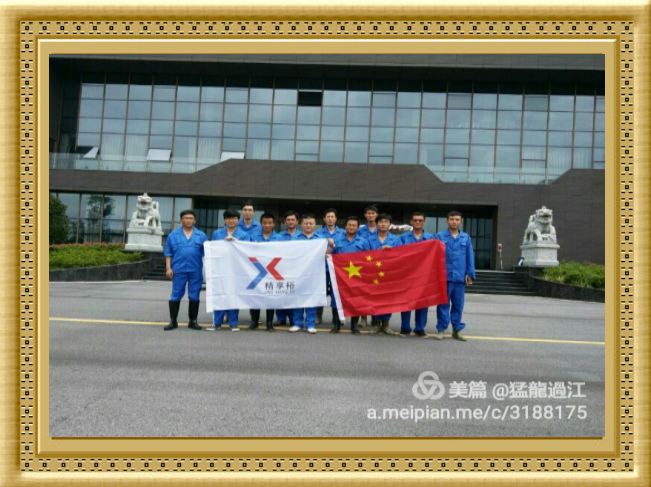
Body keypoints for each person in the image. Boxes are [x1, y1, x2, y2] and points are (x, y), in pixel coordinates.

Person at [163, 210, 209, 331]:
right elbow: (168, 253)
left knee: (194, 295)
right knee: (175, 295)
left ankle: (193, 321)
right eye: (186, 218)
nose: (188, 220)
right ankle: (173, 321)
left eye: (191, 218)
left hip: (195, 270)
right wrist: (168, 268)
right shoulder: (173, 235)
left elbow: (208, 253)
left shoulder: (201, 236)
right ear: (181, 220)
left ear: (194, 220)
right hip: (178, 270)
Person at [207, 209, 251, 332]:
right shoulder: (217, 233)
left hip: (236, 270)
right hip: (220, 268)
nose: (231, 221)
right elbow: (213, 249)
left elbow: (246, 251)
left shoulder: (244, 235)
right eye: (228, 218)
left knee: (233, 296)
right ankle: (217, 322)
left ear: (238, 220)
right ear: (224, 220)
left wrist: (236, 242)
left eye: (234, 218)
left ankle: (233, 323)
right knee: (219, 294)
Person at [434, 210, 476, 342]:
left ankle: (456, 330)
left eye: (457, 219)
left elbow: (470, 256)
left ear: (461, 222)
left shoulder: (465, 238)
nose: (454, 222)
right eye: (452, 219)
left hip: (459, 277)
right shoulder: (440, 236)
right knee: (443, 304)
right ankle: (441, 329)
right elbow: (434, 255)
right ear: (447, 221)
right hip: (444, 277)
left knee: (458, 305)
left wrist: (470, 273)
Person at [290, 214, 334, 335]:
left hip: (315, 274)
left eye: (311, 223)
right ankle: (297, 323)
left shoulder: (320, 239)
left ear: (315, 225)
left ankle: (310, 324)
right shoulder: (295, 238)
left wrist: (330, 246)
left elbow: (326, 254)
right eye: (306, 223)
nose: (308, 225)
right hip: (299, 273)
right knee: (298, 298)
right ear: (301, 224)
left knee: (312, 299)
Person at [399, 212, 436, 338]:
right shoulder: (403, 238)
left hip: (424, 276)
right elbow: (397, 254)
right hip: (407, 276)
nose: (418, 222)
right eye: (415, 220)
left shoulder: (431, 238)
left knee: (422, 303)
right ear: (411, 222)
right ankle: (405, 328)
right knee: (406, 303)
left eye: (420, 220)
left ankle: (420, 328)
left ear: (424, 221)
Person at [331, 216, 371, 335]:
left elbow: (368, 258)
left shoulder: (363, 241)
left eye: (354, 225)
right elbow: (330, 255)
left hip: (357, 276)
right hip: (340, 276)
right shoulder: (337, 240)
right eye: (349, 225)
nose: (351, 227)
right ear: (345, 226)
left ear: (358, 228)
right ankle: (336, 325)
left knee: (356, 300)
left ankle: (354, 326)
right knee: (337, 299)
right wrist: (328, 252)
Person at [365, 213, 403, 336]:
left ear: (390, 224)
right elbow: (365, 257)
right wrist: (379, 252)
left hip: (389, 275)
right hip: (374, 274)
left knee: (388, 299)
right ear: (376, 224)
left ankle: (385, 324)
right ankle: (375, 323)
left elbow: (400, 257)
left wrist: (391, 252)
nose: (383, 224)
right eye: (381, 222)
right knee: (374, 298)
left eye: (386, 222)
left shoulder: (396, 240)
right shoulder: (369, 240)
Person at [248, 212, 281, 332]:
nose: (267, 225)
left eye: (270, 223)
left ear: (274, 224)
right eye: (265, 223)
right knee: (255, 296)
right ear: (261, 224)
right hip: (257, 270)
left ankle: (269, 323)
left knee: (270, 297)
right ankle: (254, 322)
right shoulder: (253, 236)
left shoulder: (279, 238)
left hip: (272, 271)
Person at [315, 208, 345, 325]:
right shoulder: (318, 233)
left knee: (336, 293)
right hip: (322, 268)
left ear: (336, 218)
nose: (330, 219)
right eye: (328, 217)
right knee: (320, 292)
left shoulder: (343, 233)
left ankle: (336, 317)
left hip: (337, 269)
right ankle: (318, 317)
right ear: (324, 219)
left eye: (332, 217)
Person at [274, 210, 302, 327]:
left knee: (293, 294)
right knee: (280, 293)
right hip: (281, 269)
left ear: (297, 221)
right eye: (288, 220)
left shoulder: (302, 236)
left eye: (293, 220)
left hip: (297, 270)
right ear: (285, 222)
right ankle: (280, 318)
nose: (291, 222)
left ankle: (293, 318)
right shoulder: (278, 236)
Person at [356, 205, 379, 328]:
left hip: (377, 266)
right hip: (363, 265)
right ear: (365, 215)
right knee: (363, 293)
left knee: (375, 293)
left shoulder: (381, 228)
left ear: (376, 215)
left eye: (373, 213)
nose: (371, 215)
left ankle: (375, 319)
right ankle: (363, 318)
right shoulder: (360, 230)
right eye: (368, 213)